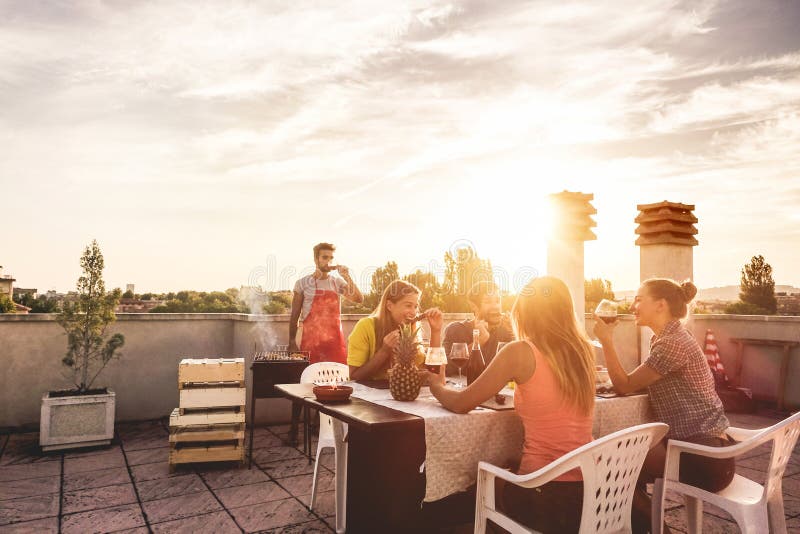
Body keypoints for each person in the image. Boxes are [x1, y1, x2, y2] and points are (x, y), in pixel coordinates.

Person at [426, 276, 595, 533]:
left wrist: (435, 385)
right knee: (508, 460)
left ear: (525, 310)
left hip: (543, 496)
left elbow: (462, 403)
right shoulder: (583, 350)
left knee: (472, 485)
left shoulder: (520, 351)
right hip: (591, 491)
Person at [593, 278, 734, 534]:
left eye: (639, 299)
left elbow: (624, 386)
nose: (633, 305)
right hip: (712, 452)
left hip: (706, 459)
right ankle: (647, 526)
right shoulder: (670, 337)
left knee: (611, 467)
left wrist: (606, 341)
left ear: (660, 305)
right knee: (621, 463)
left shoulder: (671, 343)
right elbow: (642, 381)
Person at [348, 280, 443, 382]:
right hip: (370, 394)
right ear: (389, 306)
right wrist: (384, 351)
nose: (414, 312)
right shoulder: (365, 326)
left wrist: (436, 331)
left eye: (415, 306)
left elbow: (433, 370)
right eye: (408, 305)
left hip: (407, 391)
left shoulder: (410, 330)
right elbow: (354, 376)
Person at [289, 242, 363, 364]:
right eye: (324, 257)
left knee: (338, 381)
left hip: (335, 346)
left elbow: (359, 299)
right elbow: (294, 316)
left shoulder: (337, 283)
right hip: (311, 346)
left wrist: (347, 276)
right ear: (315, 259)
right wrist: (291, 342)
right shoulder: (302, 284)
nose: (328, 261)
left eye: (331, 258)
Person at [442, 281, 514, 374]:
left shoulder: (506, 331)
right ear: (474, 306)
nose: (496, 306)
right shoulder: (455, 330)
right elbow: (445, 369)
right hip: (461, 388)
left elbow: (523, 366)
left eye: (498, 301)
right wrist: (479, 341)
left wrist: (516, 331)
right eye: (488, 301)